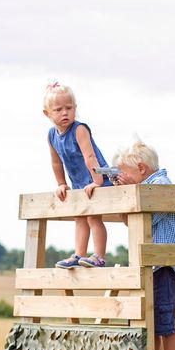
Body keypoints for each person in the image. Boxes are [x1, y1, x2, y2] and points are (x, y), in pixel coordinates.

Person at [112, 140, 175, 350]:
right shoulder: (144, 189)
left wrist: (133, 191)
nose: (123, 177)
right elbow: (131, 223)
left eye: (126, 173)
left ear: (141, 168)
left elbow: (150, 216)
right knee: (151, 322)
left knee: (165, 321)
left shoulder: (161, 185)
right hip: (149, 265)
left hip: (163, 265)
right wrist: (125, 194)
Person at [43, 81, 110, 269]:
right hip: (80, 183)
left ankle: (99, 256)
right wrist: (61, 184)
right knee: (79, 217)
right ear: (47, 113)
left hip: (97, 177)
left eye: (69, 108)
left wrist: (97, 181)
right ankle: (79, 254)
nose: (65, 113)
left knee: (93, 217)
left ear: (75, 108)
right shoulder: (51, 135)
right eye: (58, 109)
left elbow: (90, 156)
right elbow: (56, 162)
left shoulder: (79, 129)